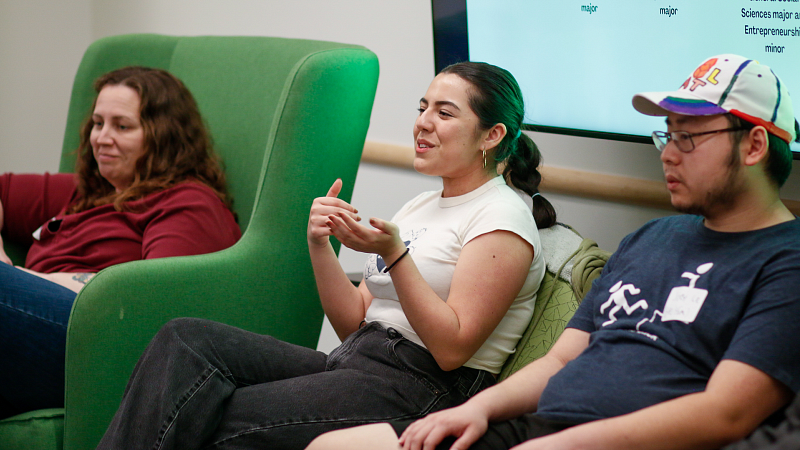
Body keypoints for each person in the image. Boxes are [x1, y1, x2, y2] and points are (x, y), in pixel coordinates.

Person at [306, 54, 800, 450]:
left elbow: (725, 413)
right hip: (538, 426)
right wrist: (477, 410)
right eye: (666, 135)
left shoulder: (785, 263)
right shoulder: (651, 239)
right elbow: (561, 359)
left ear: (754, 145)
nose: (668, 153)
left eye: (689, 138)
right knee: (333, 446)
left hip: (603, 440)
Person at [94, 61, 557, 450]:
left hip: (424, 386)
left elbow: (453, 348)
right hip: (357, 359)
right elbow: (354, 322)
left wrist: (395, 254)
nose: (423, 122)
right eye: (422, 107)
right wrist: (321, 244)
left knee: (212, 413)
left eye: (445, 112)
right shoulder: (423, 204)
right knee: (184, 340)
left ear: (491, 134)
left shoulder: (503, 217)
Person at [0, 66, 241, 419]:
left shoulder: (187, 201)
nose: (101, 137)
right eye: (98, 123)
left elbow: (148, 302)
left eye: (122, 126)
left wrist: (18, 281)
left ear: (164, 136)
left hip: (95, 342)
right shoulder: (88, 191)